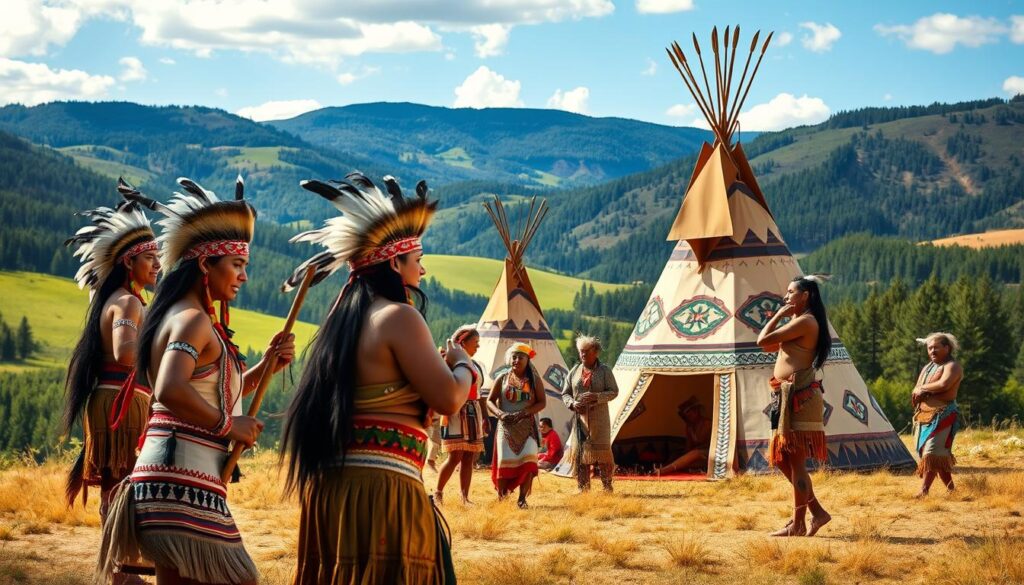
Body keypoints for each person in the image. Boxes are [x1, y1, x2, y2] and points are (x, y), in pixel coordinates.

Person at [97, 176, 296, 585]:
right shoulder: (191, 319)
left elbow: (206, 386)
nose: (243, 277)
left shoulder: (186, 317)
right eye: (236, 265)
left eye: (245, 266)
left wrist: (266, 368)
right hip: (179, 482)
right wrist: (228, 426)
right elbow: (170, 389)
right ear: (206, 264)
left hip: (174, 479)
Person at [280, 173, 473, 584]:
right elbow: (449, 399)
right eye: (416, 258)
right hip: (381, 491)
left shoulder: (342, 322)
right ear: (394, 262)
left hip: (333, 491)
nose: (422, 267)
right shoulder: (399, 316)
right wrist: (462, 366)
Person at [64, 186, 159, 583]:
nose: (157, 266)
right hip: (122, 403)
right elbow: (124, 353)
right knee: (122, 483)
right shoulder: (129, 302)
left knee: (115, 484)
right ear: (128, 262)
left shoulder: (116, 299)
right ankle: (122, 569)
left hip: (113, 400)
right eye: (150, 259)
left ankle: (119, 567)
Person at [756, 275, 832, 537]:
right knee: (782, 459)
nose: (785, 297)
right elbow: (768, 346)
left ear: (805, 296)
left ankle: (799, 523)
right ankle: (816, 514)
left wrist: (777, 315)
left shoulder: (806, 322)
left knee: (795, 462)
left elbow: (760, 339)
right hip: (787, 397)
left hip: (798, 398)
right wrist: (783, 317)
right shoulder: (799, 323)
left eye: (790, 293)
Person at [487, 343, 546, 508]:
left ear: (528, 360)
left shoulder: (534, 380)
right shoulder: (502, 378)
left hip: (527, 427)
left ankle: (522, 499)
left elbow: (542, 402)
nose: (516, 360)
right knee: (504, 462)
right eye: (514, 357)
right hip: (505, 426)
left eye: (521, 357)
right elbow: (489, 400)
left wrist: (524, 413)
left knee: (528, 462)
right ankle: (502, 497)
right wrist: (500, 414)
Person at [435, 324, 488, 504]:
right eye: (475, 342)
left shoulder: (477, 366)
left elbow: (480, 395)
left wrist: (486, 417)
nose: (478, 346)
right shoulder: (449, 362)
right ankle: (438, 492)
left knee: (468, 457)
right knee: (455, 456)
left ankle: (465, 497)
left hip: (473, 412)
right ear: (462, 343)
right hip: (457, 412)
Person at [561, 335, 618, 492]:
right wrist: (572, 404)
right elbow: (565, 393)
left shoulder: (605, 371)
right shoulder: (574, 371)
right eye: (581, 351)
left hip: (600, 420)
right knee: (581, 455)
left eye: (587, 351)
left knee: (603, 455)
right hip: (580, 420)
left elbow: (614, 391)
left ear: (596, 352)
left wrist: (597, 397)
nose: (583, 354)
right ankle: (583, 488)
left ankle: (607, 486)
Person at [911, 332, 963, 498]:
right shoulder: (928, 367)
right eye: (929, 348)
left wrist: (923, 390)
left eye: (936, 347)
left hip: (944, 415)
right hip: (925, 416)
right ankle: (952, 490)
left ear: (947, 348)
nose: (932, 351)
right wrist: (918, 392)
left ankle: (924, 491)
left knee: (932, 453)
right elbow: (918, 386)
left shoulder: (952, 366)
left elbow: (944, 384)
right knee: (936, 456)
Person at [656, 397, 712, 475]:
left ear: (696, 411)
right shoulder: (689, 427)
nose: (689, 416)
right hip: (695, 455)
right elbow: (688, 446)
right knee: (678, 456)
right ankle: (663, 468)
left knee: (695, 453)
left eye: (690, 413)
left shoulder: (708, 424)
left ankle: (664, 470)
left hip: (709, 453)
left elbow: (706, 444)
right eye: (686, 415)